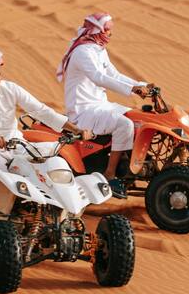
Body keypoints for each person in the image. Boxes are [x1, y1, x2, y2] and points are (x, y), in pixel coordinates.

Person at [56, 11, 152, 198]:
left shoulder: (98, 50)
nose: (110, 34)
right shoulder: (83, 52)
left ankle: (129, 162)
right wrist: (132, 90)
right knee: (124, 124)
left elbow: (114, 75)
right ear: (96, 30)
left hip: (101, 105)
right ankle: (109, 175)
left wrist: (140, 84)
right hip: (84, 111)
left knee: (137, 118)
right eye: (107, 30)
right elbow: (99, 78)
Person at [0, 48, 90, 178]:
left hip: (17, 146)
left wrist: (76, 129)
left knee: (53, 160)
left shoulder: (10, 89)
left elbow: (41, 111)